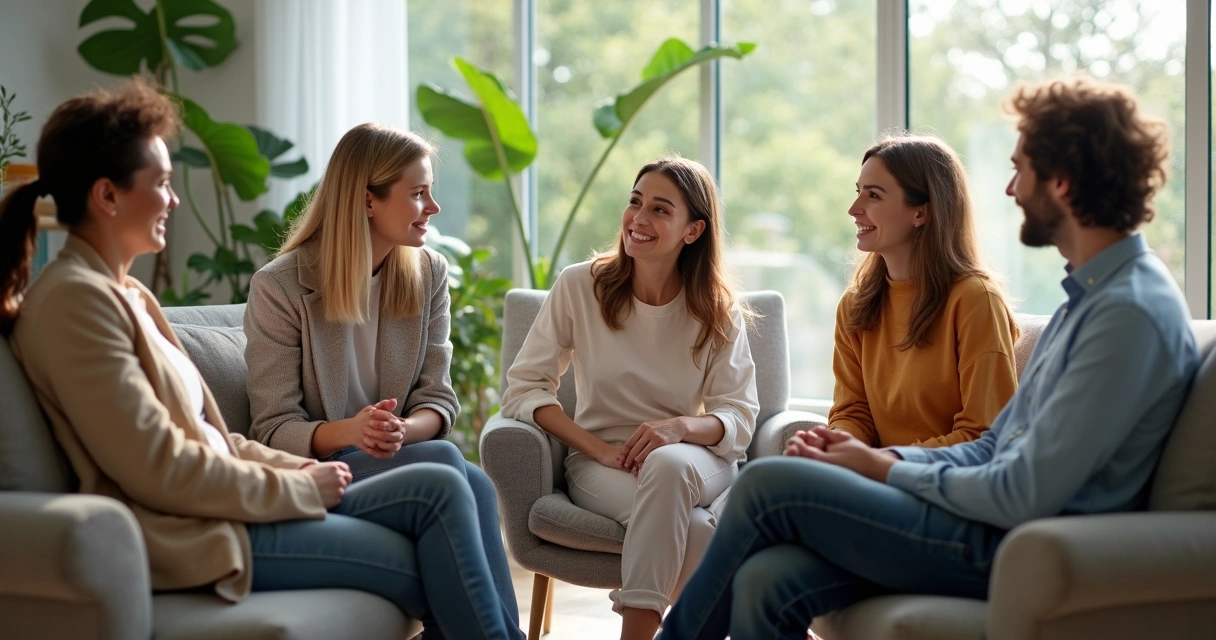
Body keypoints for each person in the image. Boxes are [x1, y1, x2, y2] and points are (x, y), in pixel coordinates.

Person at [659, 76, 1200, 640]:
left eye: (1022, 170)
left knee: (766, 484)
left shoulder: (1127, 312)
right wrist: (866, 456)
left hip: (1018, 540)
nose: (1012, 189)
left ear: (1061, 183)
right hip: (992, 519)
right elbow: (998, 445)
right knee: (767, 580)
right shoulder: (1086, 301)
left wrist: (882, 467)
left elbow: (1024, 491)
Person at [1, 80, 520, 639]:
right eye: (163, 184)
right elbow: (157, 467)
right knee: (441, 493)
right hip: (193, 531)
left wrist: (300, 468)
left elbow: (216, 440)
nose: (175, 200)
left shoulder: (125, 294)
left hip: (225, 507)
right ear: (108, 196)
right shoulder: (75, 301)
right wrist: (301, 486)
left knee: (450, 485)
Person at [242, 122, 522, 637]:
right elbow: (272, 427)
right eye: (418, 194)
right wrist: (353, 432)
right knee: (452, 464)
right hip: (325, 465)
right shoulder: (279, 287)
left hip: (404, 454)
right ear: (368, 201)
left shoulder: (429, 273)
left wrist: (400, 431)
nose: (433, 208)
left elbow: (437, 397)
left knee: (474, 479)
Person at [500, 157, 759, 640]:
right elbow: (524, 387)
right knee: (700, 531)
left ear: (693, 230)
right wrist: (594, 447)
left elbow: (739, 416)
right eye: (635, 201)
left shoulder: (717, 309)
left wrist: (678, 428)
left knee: (670, 464)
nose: (638, 219)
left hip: (701, 459)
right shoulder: (581, 285)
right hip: (605, 462)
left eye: (660, 209)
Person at [830, 134, 1018, 448]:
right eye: (858, 192)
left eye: (873, 195)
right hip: (876, 477)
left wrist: (882, 463)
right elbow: (853, 412)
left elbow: (984, 435)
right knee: (775, 476)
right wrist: (835, 445)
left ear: (921, 212)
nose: (853, 209)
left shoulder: (975, 300)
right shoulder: (854, 304)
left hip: (944, 485)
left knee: (762, 479)